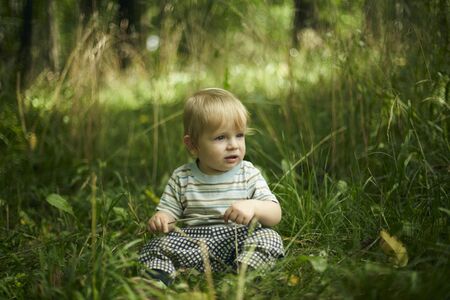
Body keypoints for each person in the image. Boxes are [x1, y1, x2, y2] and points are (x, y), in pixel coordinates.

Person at [139, 88, 284, 286]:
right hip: (192, 243)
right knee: (155, 246)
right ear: (193, 145)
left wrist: (253, 206)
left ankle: (244, 275)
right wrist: (162, 219)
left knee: (269, 237)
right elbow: (169, 214)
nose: (233, 145)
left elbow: (275, 213)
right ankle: (157, 281)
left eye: (239, 135)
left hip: (237, 240)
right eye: (220, 137)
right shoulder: (182, 177)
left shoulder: (248, 173)